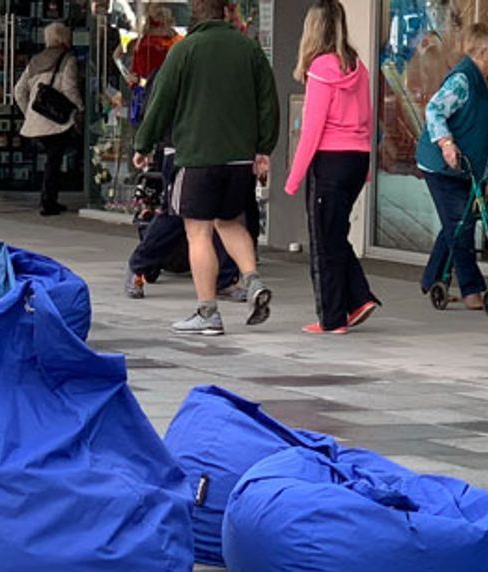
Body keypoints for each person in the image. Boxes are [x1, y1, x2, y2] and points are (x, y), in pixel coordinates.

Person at [132, 0, 277, 336]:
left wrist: (143, 144)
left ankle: (207, 311)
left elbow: (161, 101)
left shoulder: (184, 50)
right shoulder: (250, 49)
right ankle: (252, 279)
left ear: (194, 15)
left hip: (197, 156)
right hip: (240, 158)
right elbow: (267, 101)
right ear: (226, 11)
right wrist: (263, 148)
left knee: (197, 231)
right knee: (229, 220)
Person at [284, 0, 376, 335]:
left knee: (323, 240)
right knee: (335, 233)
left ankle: (332, 318)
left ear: (313, 29)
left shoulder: (321, 68)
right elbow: (366, 117)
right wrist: (365, 167)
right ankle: (359, 297)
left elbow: (312, 130)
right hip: (356, 158)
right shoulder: (357, 66)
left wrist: (293, 178)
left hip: (330, 160)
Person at [416, 23, 488, 311]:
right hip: (442, 165)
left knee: (458, 221)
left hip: (468, 167)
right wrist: (447, 144)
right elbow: (434, 110)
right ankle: (472, 289)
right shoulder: (463, 80)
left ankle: (433, 279)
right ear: (481, 53)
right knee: (460, 226)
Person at [12, 21, 81, 217]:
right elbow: (70, 89)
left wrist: (30, 114)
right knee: (54, 160)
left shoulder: (35, 61)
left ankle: (48, 199)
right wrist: (79, 110)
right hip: (58, 121)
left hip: (36, 121)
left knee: (51, 160)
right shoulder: (67, 59)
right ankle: (48, 201)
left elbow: (19, 91)